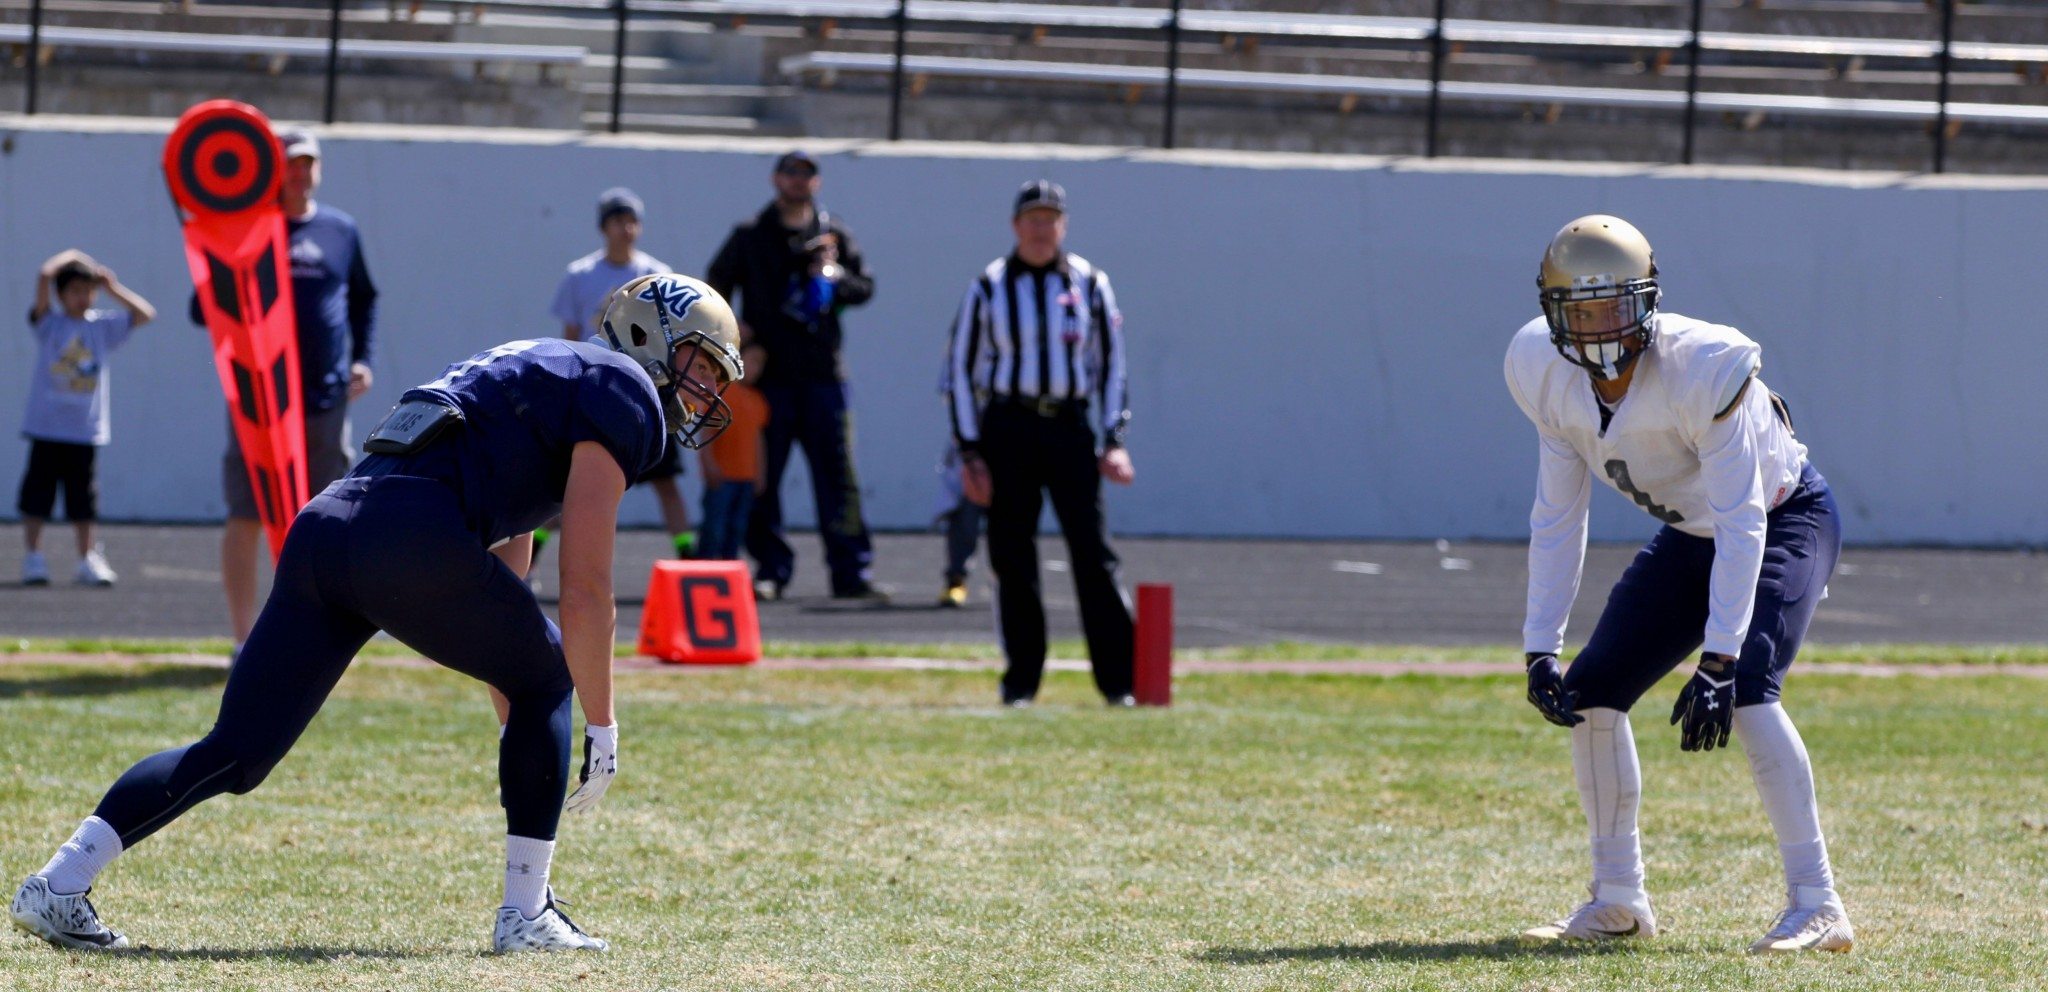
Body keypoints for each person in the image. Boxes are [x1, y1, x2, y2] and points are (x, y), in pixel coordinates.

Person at [11, 273, 742, 954]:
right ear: (648, 334)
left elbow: (510, 569)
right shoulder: (622, 388)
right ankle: (525, 914)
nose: (709, 386)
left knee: (235, 752)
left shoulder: (539, 366)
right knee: (552, 673)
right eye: (703, 362)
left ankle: (59, 882)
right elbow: (585, 589)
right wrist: (600, 724)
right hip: (409, 531)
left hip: (328, 526)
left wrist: (524, 720)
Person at [1506, 215, 1852, 954]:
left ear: (1647, 302)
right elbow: (1557, 515)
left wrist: (1719, 658)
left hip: (1782, 516)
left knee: (1750, 686)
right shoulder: (1542, 372)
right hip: (1694, 535)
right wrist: (1540, 646)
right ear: (1553, 314)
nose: (1600, 330)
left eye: (1614, 307)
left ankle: (1819, 903)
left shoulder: (1703, 365)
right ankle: (1618, 900)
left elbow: (1744, 522)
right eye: (1582, 313)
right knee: (1591, 691)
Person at [946, 180, 1135, 707]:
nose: (1041, 228)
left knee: (1093, 553)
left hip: (1069, 426)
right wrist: (970, 450)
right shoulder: (988, 285)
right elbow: (959, 371)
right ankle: (1021, 682)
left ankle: (1119, 682)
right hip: (1009, 426)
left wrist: (1114, 437)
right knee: (1012, 555)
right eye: (1032, 219)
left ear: (1063, 226)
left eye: (1050, 219)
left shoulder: (1091, 283)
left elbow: (1112, 365)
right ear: (1015, 226)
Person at [190, 127, 378, 653]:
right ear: (272, 169)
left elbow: (363, 299)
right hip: (258, 402)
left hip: (326, 397)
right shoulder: (247, 228)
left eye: (308, 162)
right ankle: (244, 639)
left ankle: (327, 632)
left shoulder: (341, 228)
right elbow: (201, 308)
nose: (300, 172)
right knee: (247, 511)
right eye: (290, 162)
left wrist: (362, 360)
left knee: (331, 513)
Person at [706, 150, 882, 601]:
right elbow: (713, 286)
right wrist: (736, 332)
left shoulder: (833, 233)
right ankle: (771, 570)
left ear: (816, 182)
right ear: (775, 178)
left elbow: (865, 287)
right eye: (790, 172)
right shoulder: (750, 234)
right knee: (763, 480)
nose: (798, 181)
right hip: (768, 381)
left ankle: (850, 573)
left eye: (806, 174)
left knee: (838, 478)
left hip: (824, 377)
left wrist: (832, 276)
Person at [546, 187, 694, 562]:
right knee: (563, 484)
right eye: (617, 221)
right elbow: (570, 337)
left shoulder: (657, 275)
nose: (626, 229)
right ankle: (529, 562)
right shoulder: (580, 274)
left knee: (665, 481)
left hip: (646, 389)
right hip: (594, 390)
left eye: (632, 221)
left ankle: (689, 560)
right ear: (603, 227)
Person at [17, 250, 156, 586]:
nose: (83, 297)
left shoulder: (102, 327)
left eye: (88, 290)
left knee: (84, 503)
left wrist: (112, 287)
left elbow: (145, 314)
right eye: (75, 291)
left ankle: (86, 559)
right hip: (47, 429)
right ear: (61, 295)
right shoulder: (49, 325)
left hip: (84, 432)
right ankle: (34, 558)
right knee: (37, 498)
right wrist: (74, 256)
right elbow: (44, 275)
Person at [697, 344, 770, 560]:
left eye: (761, 364)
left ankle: (728, 570)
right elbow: (707, 432)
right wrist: (709, 464)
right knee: (714, 526)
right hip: (723, 475)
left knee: (737, 527)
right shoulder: (721, 392)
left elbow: (758, 441)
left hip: (746, 477)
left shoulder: (758, 400)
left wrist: (760, 473)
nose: (757, 368)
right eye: (753, 360)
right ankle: (705, 569)